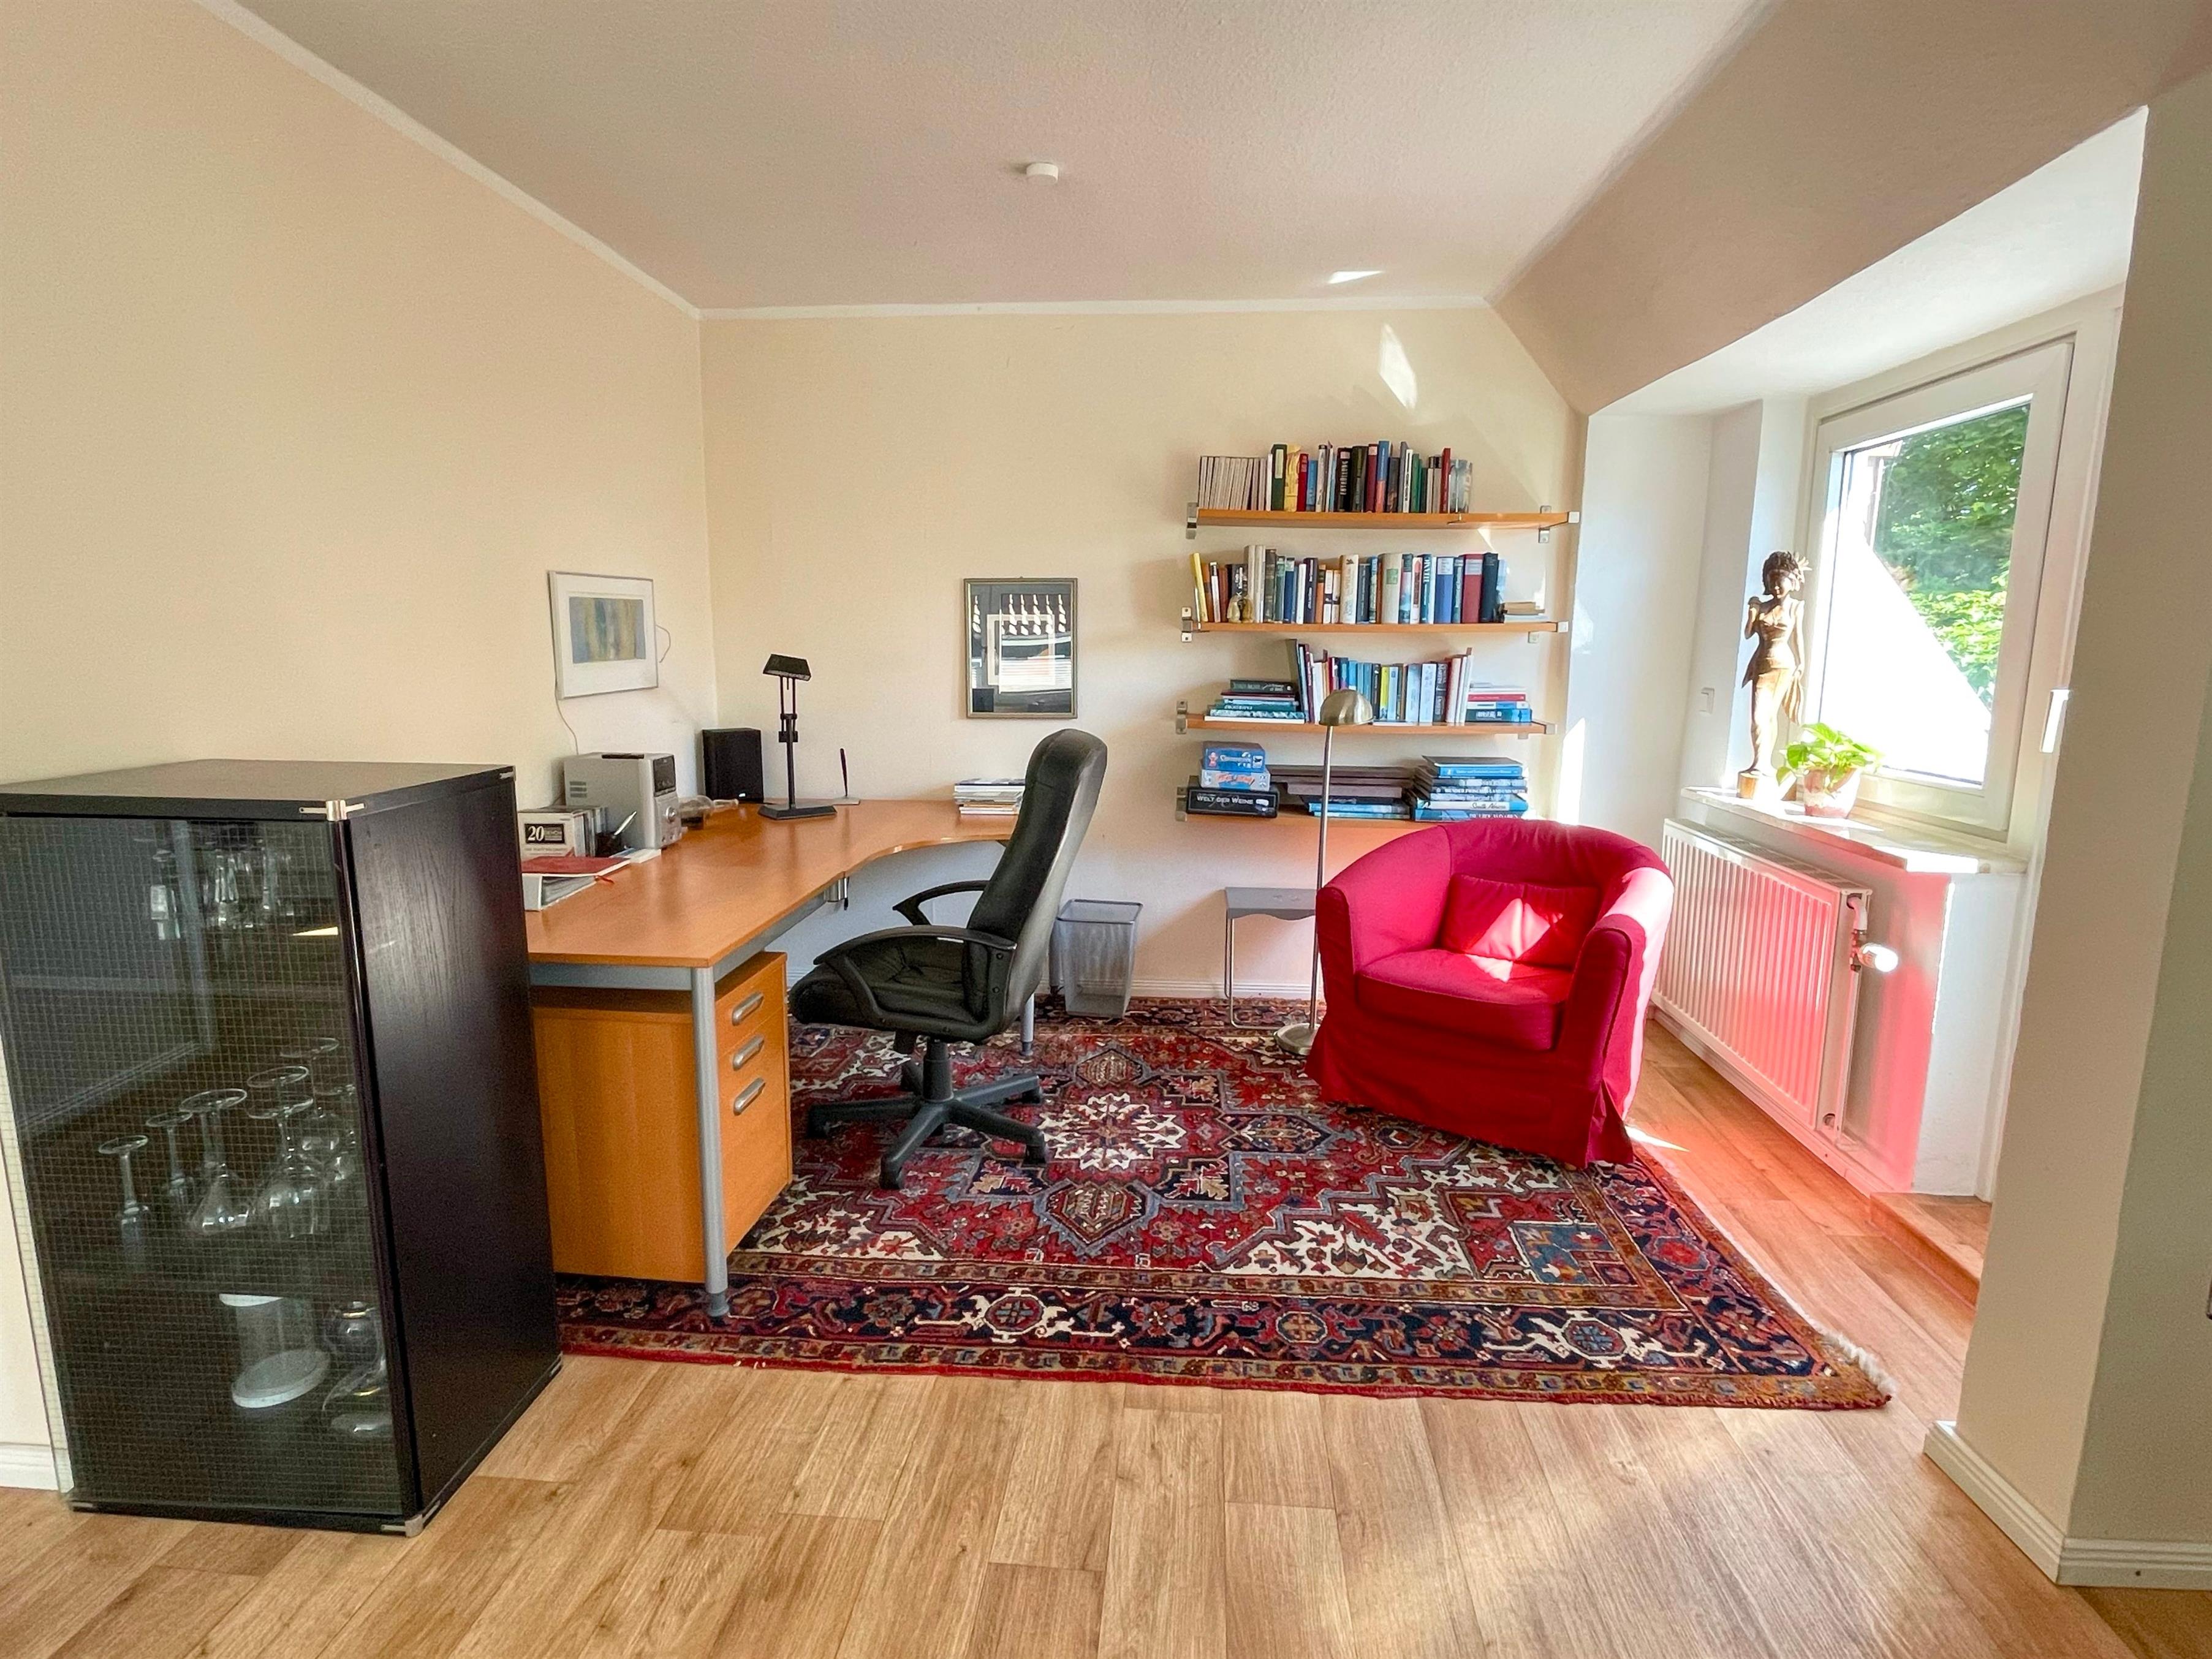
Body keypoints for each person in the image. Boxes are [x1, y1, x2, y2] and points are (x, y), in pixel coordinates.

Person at [1740, 550, 1805, 793]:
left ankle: (1764, 763)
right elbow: (1748, 634)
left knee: (1769, 715)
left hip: (1783, 664)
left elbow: (1798, 638)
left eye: (1780, 582)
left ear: (1792, 581)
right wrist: (1752, 613)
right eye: (1772, 582)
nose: (1776, 587)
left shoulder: (1795, 607)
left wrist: (1802, 663)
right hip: (1762, 663)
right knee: (1758, 716)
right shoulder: (1763, 607)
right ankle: (1759, 761)